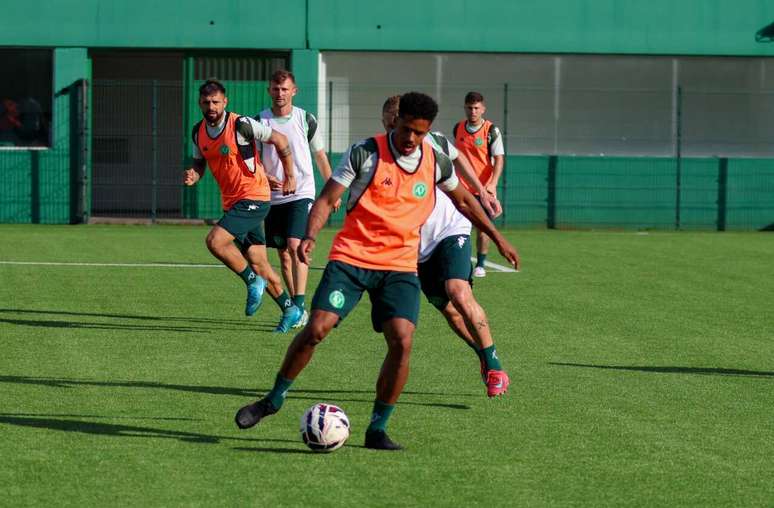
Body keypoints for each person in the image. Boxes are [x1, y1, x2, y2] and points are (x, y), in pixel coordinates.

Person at [235, 92, 520, 450]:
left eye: (419, 132)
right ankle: (273, 400)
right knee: (317, 328)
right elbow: (327, 198)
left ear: (428, 130)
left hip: (400, 265)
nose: (411, 138)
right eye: (406, 129)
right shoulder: (365, 152)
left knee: (402, 341)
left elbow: (464, 200)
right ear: (395, 122)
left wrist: (498, 237)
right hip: (353, 258)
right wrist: (310, 234)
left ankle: (377, 429)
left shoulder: (436, 160)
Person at [383, 95, 511, 397]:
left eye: (398, 119)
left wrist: (482, 191)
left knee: (458, 290)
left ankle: (494, 365)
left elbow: (458, 158)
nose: (395, 126)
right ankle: (483, 354)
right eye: (389, 121)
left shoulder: (434, 141)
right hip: (416, 247)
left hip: (450, 228)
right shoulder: (378, 157)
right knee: (450, 311)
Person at [183, 79, 303, 329]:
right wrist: (195, 174)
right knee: (259, 262)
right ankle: (290, 309)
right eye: (206, 102)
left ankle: (251, 281)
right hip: (232, 203)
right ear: (199, 104)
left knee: (215, 241)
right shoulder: (198, 132)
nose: (211, 107)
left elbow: (280, 139)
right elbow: (199, 162)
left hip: (254, 197)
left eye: (216, 102)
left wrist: (290, 175)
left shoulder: (241, 124)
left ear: (224, 102)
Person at [257, 70, 340, 332]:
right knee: (283, 255)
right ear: (269, 91)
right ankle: (296, 309)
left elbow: (320, 156)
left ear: (294, 91)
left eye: (285, 89)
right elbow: (256, 160)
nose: (280, 93)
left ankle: (300, 305)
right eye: (275, 89)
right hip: (274, 197)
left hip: (302, 192)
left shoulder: (305, 119)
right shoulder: (260, 120)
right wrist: (266, 176)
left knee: (295, 246)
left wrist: (333, 191)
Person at [453, 91, 506, 278]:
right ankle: (460, 261)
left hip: (484, 189)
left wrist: (493, 184)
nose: (473, 111)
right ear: (465, 108)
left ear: (483, 109)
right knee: (459, 228)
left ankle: (481, 264)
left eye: (476, 108)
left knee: (483, 228)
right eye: (469, 108)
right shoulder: (458, 128)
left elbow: (499, 159)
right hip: (462, 188)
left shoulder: (491, 131)